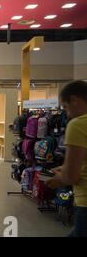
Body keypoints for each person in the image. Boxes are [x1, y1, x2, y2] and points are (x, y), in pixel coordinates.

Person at [45, 80, 87, 237]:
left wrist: (60, 178)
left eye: (65, 108)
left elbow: (71, 177)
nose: (67, 114)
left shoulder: (78, 124)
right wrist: (64, 168)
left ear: (74, 100)